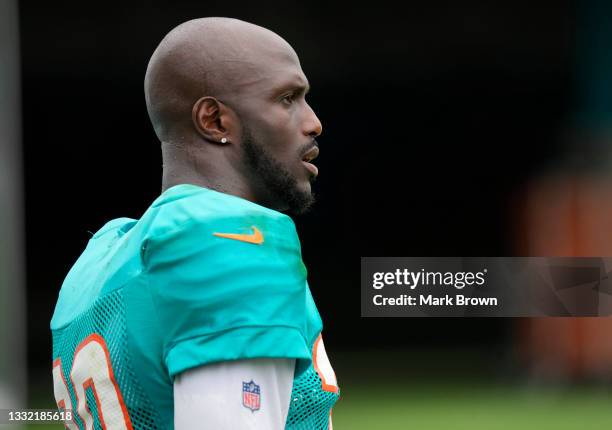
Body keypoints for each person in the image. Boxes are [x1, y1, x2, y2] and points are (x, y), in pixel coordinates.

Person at [50, 17, 339, 429]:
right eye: (288, 98)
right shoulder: (228, 242)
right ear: (214, 120)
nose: (313, 122)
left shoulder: (99, 260)